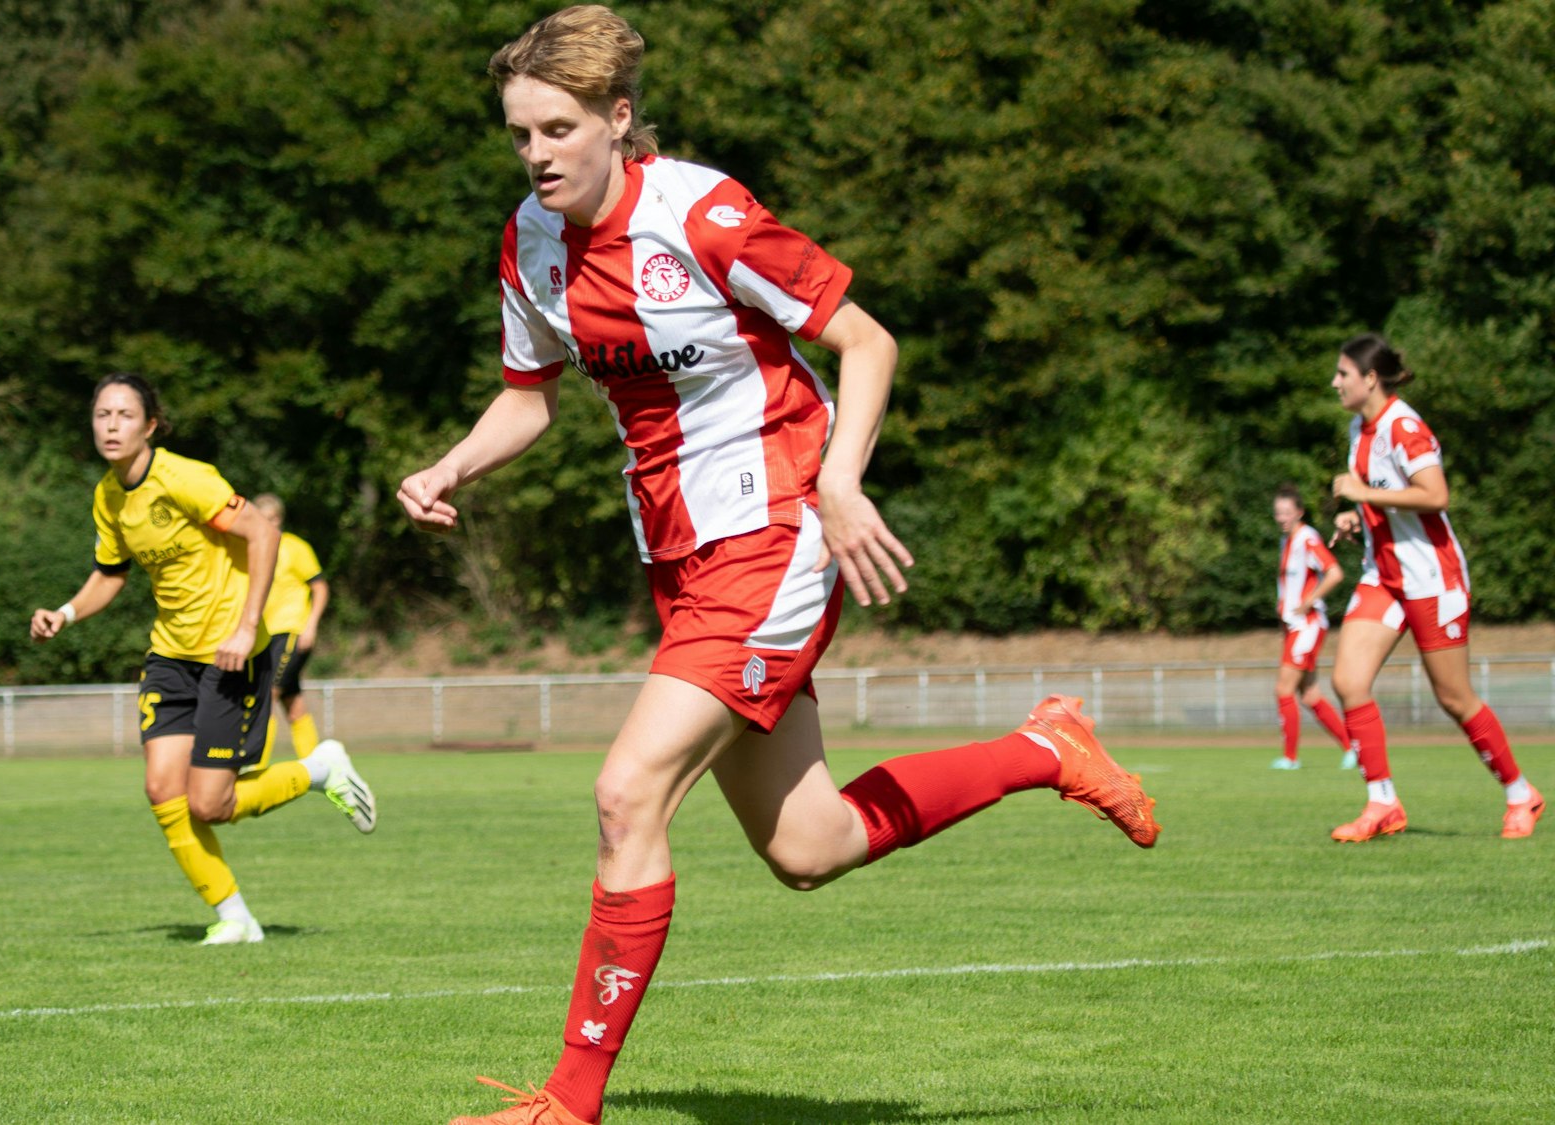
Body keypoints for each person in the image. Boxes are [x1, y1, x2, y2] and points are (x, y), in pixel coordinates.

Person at [398, 10, 1159, 1123]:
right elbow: (529, 396)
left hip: (775, 533)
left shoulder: (700, 214)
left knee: (625, 794)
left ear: (617, 119)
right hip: (679, 556)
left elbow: (865, 340)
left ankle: (568, 1101)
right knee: (810, 845)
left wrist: (842, 483)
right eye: (520, 134)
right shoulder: (530, 241)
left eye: (558, 129)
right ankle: (1045, 748)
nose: (537, 154)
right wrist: (450, 465)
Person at [29, 374, 377, 946]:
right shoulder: (108, 496)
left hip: (230, 657)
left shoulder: (184, 478)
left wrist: (246, 627)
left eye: (124, 415)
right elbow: (110, 574)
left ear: (150, 425)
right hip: (170, 656)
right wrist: (64, 614)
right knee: (162, 790)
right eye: (101, 415)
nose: (111, 426)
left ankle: (319, 769)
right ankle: (235, 917)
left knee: (211, 805)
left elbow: (263, 534)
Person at [1324, 334, 1542, 842]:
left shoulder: (1404, 426)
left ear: (1370, 379)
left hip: (1431, 579)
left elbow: (1436, 495)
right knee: (1348, 681)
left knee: (1454, 697)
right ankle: (1383, 803)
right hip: (1384, 575)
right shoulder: (1359, 427)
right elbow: (1384, 496)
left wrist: (1361, 492)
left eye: (1343, 374)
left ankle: (1520, 794)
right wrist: (1357, 516)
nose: (1335, 383)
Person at [1268, 484, 1354, 770]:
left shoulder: (1307, 538)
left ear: (1299, 512)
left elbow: (1335, 572)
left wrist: (1309, 601)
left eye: (1287, 512)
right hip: (1293, 627)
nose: (1282, 518)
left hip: (1307, 625)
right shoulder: (1286, 541)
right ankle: (1351, 747)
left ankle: (1290, 758)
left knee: (1284, 689)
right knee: (1309, 695)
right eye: (1278, 513)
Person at [251, 493, 332, 757]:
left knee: (265, 696)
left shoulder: (295, 547)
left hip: (291, 631)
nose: (269, 524)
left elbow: (320, 588)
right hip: (265, 635)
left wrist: (311, 626)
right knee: (293, 705)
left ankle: (255, 764)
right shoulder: (253, 549)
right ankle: (317, 765)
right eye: (264, 519)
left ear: (281, 519)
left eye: (274, 518)